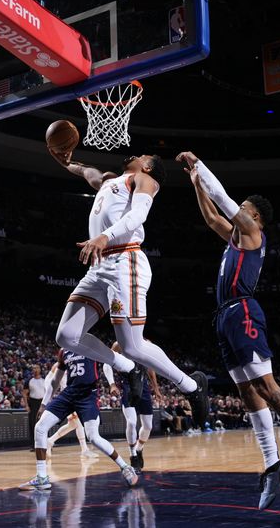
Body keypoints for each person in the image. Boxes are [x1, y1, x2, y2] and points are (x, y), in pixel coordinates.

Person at [178, 151, 280, 508]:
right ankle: (273, 466)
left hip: (243, 311)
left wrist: (200, 167)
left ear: (255, 216)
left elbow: (222, 201)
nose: (238, 211)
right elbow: (211, 216)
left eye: (243, 207)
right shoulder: (234, 234)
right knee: (248, 394)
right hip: (224, 316)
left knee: (267, 386)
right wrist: (195, 185)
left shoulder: (251, 232)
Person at [48, 148, 209, 426]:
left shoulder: (146, 181)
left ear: (148, 167)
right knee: (66, 335)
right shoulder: (112, 180)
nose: (138, 154)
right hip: (99, 265)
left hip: (125, 259)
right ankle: (125, 367)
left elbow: (137, 217)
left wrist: (103, 236)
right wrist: (66, 163)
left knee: (132, 346)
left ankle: (192, 387)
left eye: (144, 156)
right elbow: (89, 172)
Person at [18, 348, 137, 490]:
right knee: (40, 427)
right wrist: (44, 403)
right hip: (68, 394)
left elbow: (108, 362)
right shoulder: (63, 351)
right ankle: (42, 478)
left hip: (87, 395)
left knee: (93, 436)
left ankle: (125, 467)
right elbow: (56, 380)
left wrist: (112, 383)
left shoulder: (89, 344)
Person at [103, 341, 162, 472]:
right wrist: (112, 384)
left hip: (143, 385)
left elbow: (151, 369)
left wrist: (156, 389)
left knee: (148, 426)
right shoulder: (119, 344)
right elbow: (107, 363)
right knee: (131, 421)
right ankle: (133, 455)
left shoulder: (147, 343)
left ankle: (139, 449)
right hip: (127, 385)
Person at [42, 359, 98, 459]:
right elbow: (49, 381)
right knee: (77, 423)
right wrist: (50, 396)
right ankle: (84, 450)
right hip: (66, 397)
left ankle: (50, 441)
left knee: (73, 424)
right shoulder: (59, 365)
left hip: (73, 395)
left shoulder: (74, 363)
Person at [23, 365, 46, 452]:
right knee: (32, 424)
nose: (35, 369)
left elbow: (48, 392)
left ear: (40, 369)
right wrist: (26, 405)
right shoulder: (29, 381)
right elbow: (24, 394)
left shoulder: (44, 380)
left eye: (37, 368)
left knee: (44, 424)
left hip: (42, 403)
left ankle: (45, 444)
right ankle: (33, 445)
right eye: (33, 368)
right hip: (33, 403)